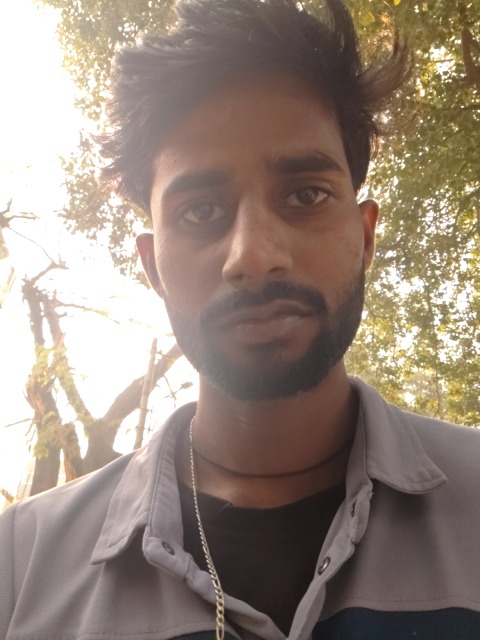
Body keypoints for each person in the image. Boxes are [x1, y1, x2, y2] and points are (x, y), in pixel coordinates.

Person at [1, 0, 479, 638]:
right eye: (201, 211)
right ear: (153, 265)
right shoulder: (20, 567)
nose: (253, 256)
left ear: (365, 236)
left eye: (306, 194)